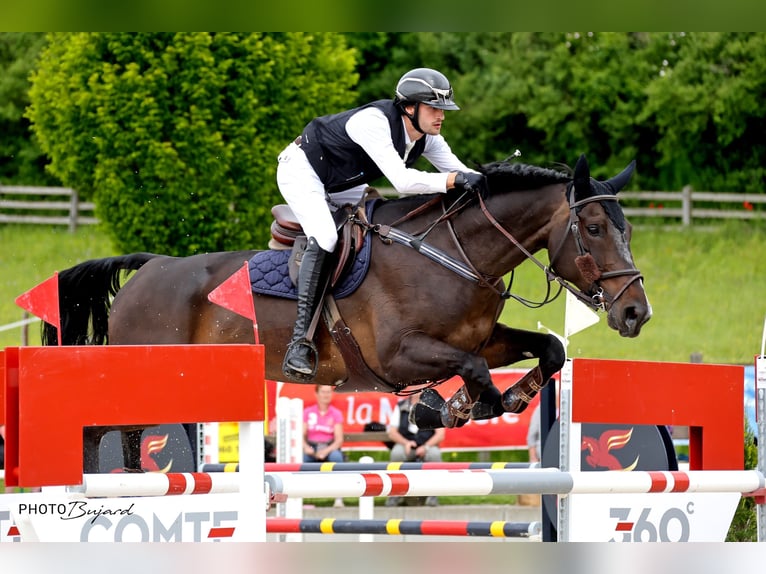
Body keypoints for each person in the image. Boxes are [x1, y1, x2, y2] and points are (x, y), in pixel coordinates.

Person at [277, 67, 488, 380]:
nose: (440, 116)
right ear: (410, 107)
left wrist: (495, 184)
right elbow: (403, 181)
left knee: (378, 228)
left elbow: (462, 172)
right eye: (434, 109)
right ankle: (300, 342)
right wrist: (456, 179)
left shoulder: (427, 138)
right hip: (304, 169)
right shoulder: (373, 122)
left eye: (443, 110)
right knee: (325, 237)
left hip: (343, 184)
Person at [385, 390, 445, 507]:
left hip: (427, 444)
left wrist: (426, 447)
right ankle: (394, 493)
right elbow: (392, 432)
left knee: (435, 455)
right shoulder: (400, 407)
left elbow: (440, 434)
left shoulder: (433, 406)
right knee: (396, 454)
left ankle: (433, 495)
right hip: (406, 444)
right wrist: (405, 442)